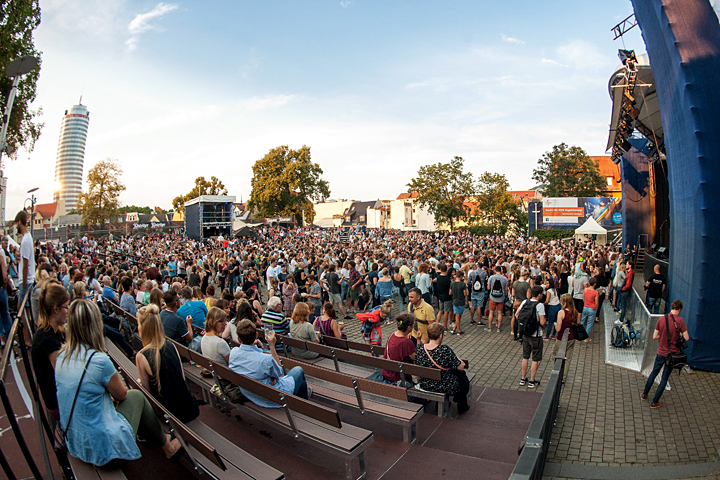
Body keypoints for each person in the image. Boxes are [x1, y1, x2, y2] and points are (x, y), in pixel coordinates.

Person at [55, 300, 182, 466]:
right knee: (136, 396)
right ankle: (167, 446)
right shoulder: (98, 360)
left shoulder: (61, 358)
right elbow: (121, 395)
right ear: (95, 326)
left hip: (76, 442)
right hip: (103, 451)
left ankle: (152, 437)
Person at [136, 304, 199, 423]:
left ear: (144, 328)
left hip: (169, 414)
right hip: (189, 407)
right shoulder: (171, 345)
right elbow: (182, 378)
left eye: (138, 324)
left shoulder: (142, 356)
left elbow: (146, 392)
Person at [228, 319, 311, 406]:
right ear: (256, 335)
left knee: (302, 384)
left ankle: (303, 399)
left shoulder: (234, 353)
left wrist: (271, 376)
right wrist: (272, 345)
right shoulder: (266, 359)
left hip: (252, 394)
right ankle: (303, 406)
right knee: (298, 370)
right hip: (274, 398)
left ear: (239, 339)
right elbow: (280, 373)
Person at [31, 282, 69, 426]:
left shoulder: (50, 332)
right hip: (58, 405)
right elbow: (62, 374)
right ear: (55, 309)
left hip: (55, 399)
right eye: (66, 307)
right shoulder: (47, 340)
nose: (68, 310)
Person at [641, 300, 689, 409]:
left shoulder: (662, 319)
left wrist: (662, 336)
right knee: (664, 378)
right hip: (672, 355)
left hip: (661, 352)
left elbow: (654, 336)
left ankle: (644, 393)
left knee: (654, 373)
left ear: (671, 307)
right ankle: (655, 402)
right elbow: (686, 338)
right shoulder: (680, 321)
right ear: (679, 309)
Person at [414, 323, 469, 414]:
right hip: (445, 386)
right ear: (440, 336)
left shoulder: (420, 348)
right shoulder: (444, 350)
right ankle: (462, 405)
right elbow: (461, 366)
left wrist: (418, 339)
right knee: (462, 377)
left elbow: (417, 360)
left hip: (425, 383)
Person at [517, 286, 547, 388]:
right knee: (535, 358)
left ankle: (523, 378)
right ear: (539, 295)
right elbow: (542, 321)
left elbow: (517, 314)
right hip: (536, 335)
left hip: (525, 334)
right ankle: (532, 380)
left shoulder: (525, 302)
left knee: (525, 356)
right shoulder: (540, 306)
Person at [381, 313, 416, 385]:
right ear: (409, 327)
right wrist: (418, 340)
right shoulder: (406, 342)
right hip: (399, 376)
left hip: (387, 372)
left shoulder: (392, 335)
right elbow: (415, 357)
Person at [552, 294, 579, 382]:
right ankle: (563, 378)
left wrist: (555, 325)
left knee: (555, 355)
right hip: (571, 338)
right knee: (567, 358)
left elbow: (558, 329)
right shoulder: (575, 312)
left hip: (561, 338)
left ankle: (556, 375)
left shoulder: (561, 312)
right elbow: (577, 324)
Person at [15, 210, 35, 312]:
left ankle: (26, 328)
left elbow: (25, 266)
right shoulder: (28, 237)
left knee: (21, 310)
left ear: (19, 222)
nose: (16, 227)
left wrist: (23, 285)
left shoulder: (25, 241)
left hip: (25, 281)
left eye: (16, 224)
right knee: (26, 311)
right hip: (28, 280)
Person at [486, 266, 508, 333]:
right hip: (501, 297)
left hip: (493, 297)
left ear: (495, 270)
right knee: (499, 312)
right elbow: (506, 289)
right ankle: (498, 327)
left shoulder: (491, 277)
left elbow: (488, 287)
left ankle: (489, 327)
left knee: (491, 312)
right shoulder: (504, 278)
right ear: (501, 271)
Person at [580, 277, 598, 342]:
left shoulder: (585, 290)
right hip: (592, 309)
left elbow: (583, 298)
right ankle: (586, 338)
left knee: (582, 321)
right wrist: (596, 309)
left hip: (585, 307)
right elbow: (596, 303)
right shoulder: (596, 292)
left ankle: (579, 335)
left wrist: (585, 304)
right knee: (589, 324)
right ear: (595, 284)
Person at [435, 263, 453, 329]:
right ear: (446, 269)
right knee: (446, 312)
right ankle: (445, 326)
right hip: (447, 296)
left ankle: (436, 324)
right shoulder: (448, 279)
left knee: (440, 311)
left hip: (440, 296)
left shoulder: (438, 278)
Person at [616, 261, 634, 325]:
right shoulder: (629, 273)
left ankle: (621, 320)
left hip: (625, 291)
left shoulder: (630, 274)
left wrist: (622, 289)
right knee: (623, 305)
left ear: (630, 266)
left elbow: (628, 284)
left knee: (623, 306)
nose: (626, 265)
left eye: (627, 264)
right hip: (625, 291)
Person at [450, 270, 467, 335]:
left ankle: (454, 329)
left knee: (457, 315)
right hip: (461, 301)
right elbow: (465, 293)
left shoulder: (452, 283)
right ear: (461, 276)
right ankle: (459, 330)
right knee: (459, 316)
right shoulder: (463, 284)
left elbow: (450, 292)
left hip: (454, 300)